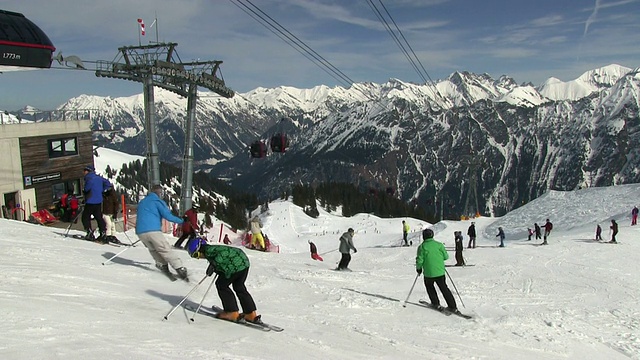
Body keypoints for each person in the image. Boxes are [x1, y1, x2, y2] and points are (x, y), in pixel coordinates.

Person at [187, 238, 260, 323]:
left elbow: (223, 254)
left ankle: (231, 312)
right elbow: (227, 255)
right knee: (239, 287)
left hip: (235, 266)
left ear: (200, 248)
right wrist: (217, 268)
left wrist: (214, 263)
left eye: (196, 255)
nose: (199, 258)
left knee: (221, 285)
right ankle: (250, 313)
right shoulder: (215, 248)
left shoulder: (209, 250)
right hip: (244, 263)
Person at [135, 184, 188, 281]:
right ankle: (179, 268)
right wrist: (182, 220)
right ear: (160, 193)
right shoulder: (157, 202)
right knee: (164, 249)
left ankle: (163, 265)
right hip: (153, 230)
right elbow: (168, 216)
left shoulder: (142, 202)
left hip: (140, 231)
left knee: (153, 250)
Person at [416, 228, 457, 312]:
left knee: (430, 287)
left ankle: (435, 303)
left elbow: (419, 260)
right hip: (440, 271)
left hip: (428, 273)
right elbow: (446, 257)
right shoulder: (439, 245)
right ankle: (452, 306)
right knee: (444, 288)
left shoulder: (422, 247)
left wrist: (419, 269)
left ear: (424, 237)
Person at [81, 165, 111, 243]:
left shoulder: (89, 178)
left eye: (84, 171)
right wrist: (102, 190)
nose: (84, 172)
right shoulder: (99, 178)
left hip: (90, 201)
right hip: (98, 201)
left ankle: (89, 232)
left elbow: (87, 189)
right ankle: (103, 232)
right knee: (98, 217)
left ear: (88, 171)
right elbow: (108, 184)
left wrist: (84, 192)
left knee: (85, 217)